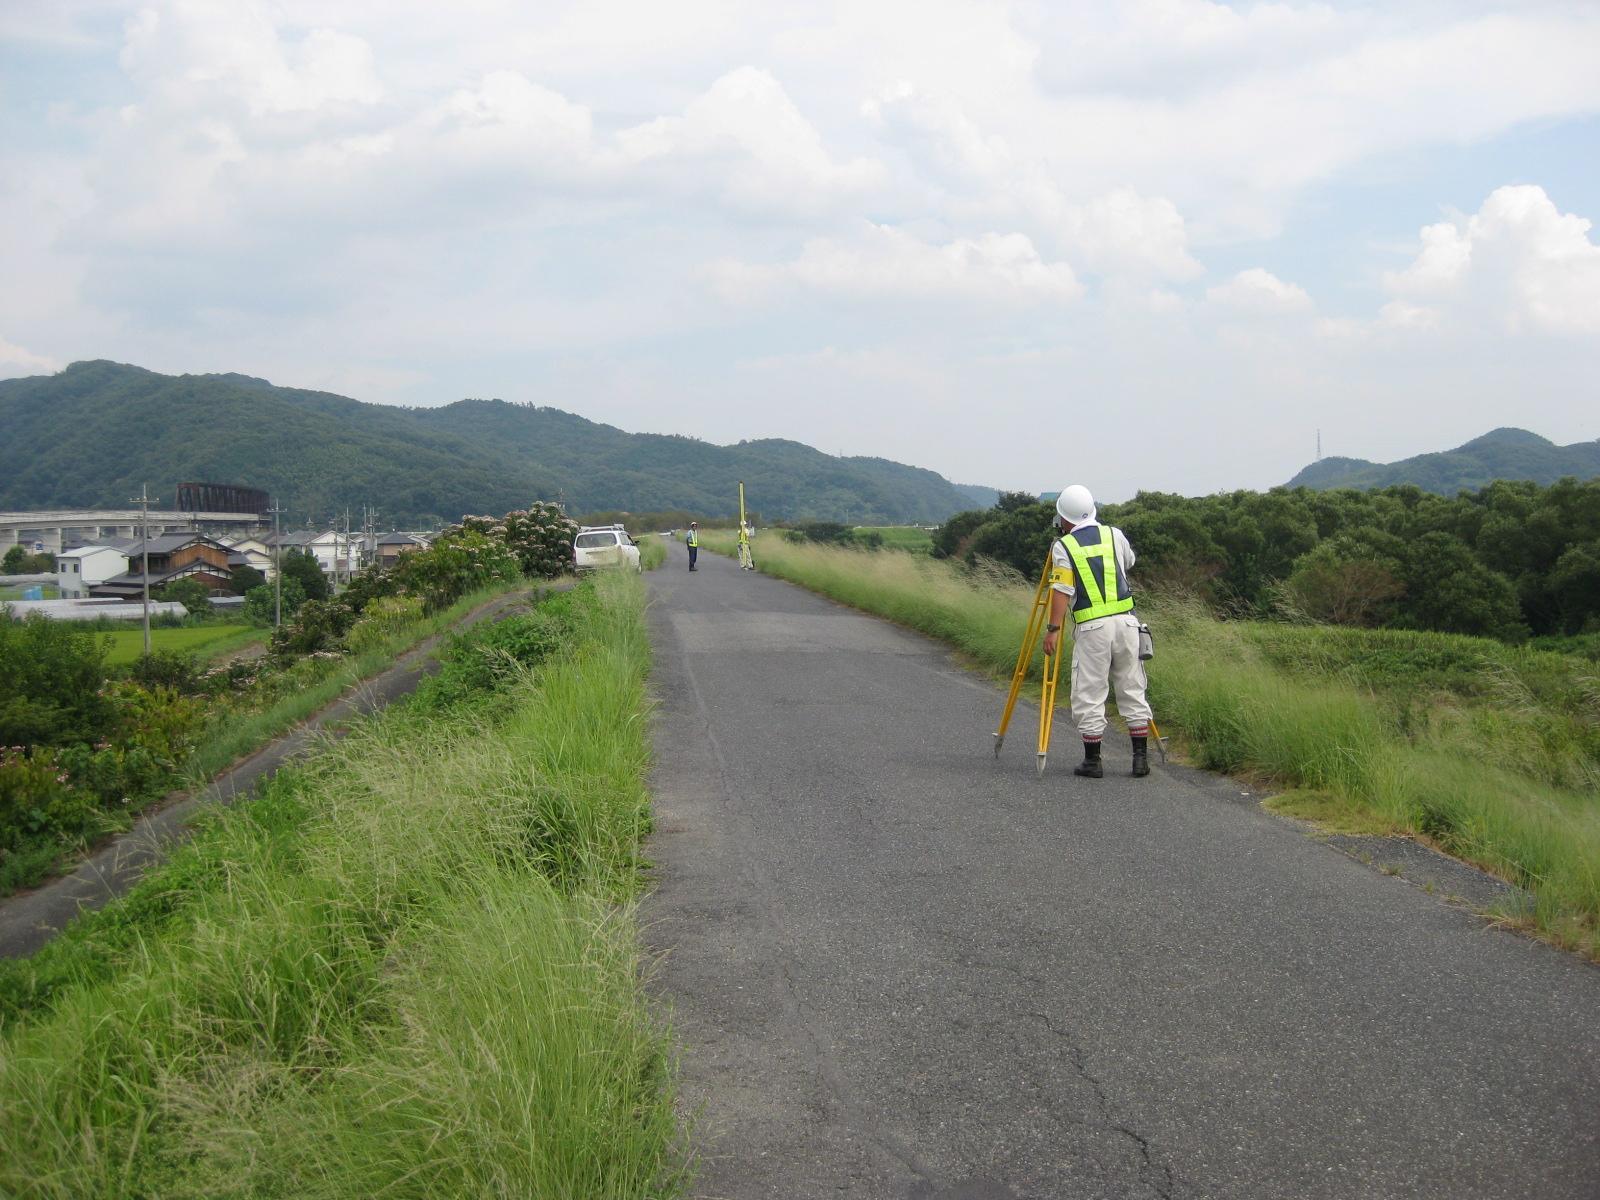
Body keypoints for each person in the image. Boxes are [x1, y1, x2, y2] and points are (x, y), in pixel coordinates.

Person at [1040, 484, 1153, 779]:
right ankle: (1140, 759)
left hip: (1093, 629)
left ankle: (1093, 761)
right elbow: (1128, 562)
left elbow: (1062, 590)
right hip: (1127, 623)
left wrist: (1053, 629)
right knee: (1132, 688)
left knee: (1090, 692)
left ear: (1064, 519)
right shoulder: (1114, 534)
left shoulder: (1063, 547)